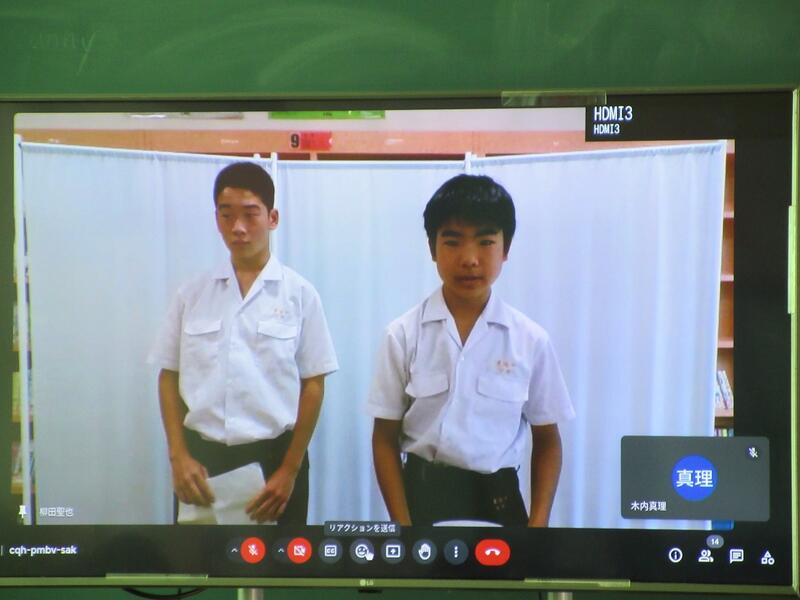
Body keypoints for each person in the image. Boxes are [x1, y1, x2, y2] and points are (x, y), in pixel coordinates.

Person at [367, 174, 574, 527]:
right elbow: (384, 439)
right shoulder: (402, 335)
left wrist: (538, 530)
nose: (470, 259)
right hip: (421, 502)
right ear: (432, 248)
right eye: (452, 242)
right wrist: (403, 529)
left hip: (500, 503)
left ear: (505, 249)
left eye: (485, 242)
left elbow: (548, 440)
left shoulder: (531, 340)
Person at [150, 161, 338, 524]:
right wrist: (178, 456)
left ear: (272, 218)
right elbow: (168, 376)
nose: (238, 227)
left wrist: (290, 469)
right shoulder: (192, 294)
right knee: (199, 559)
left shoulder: (300, 295)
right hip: (201, 464)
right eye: (227, 215)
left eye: (250, 215)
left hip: (276, 462)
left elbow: (314, 384)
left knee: (281, 559)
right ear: (217, 219)